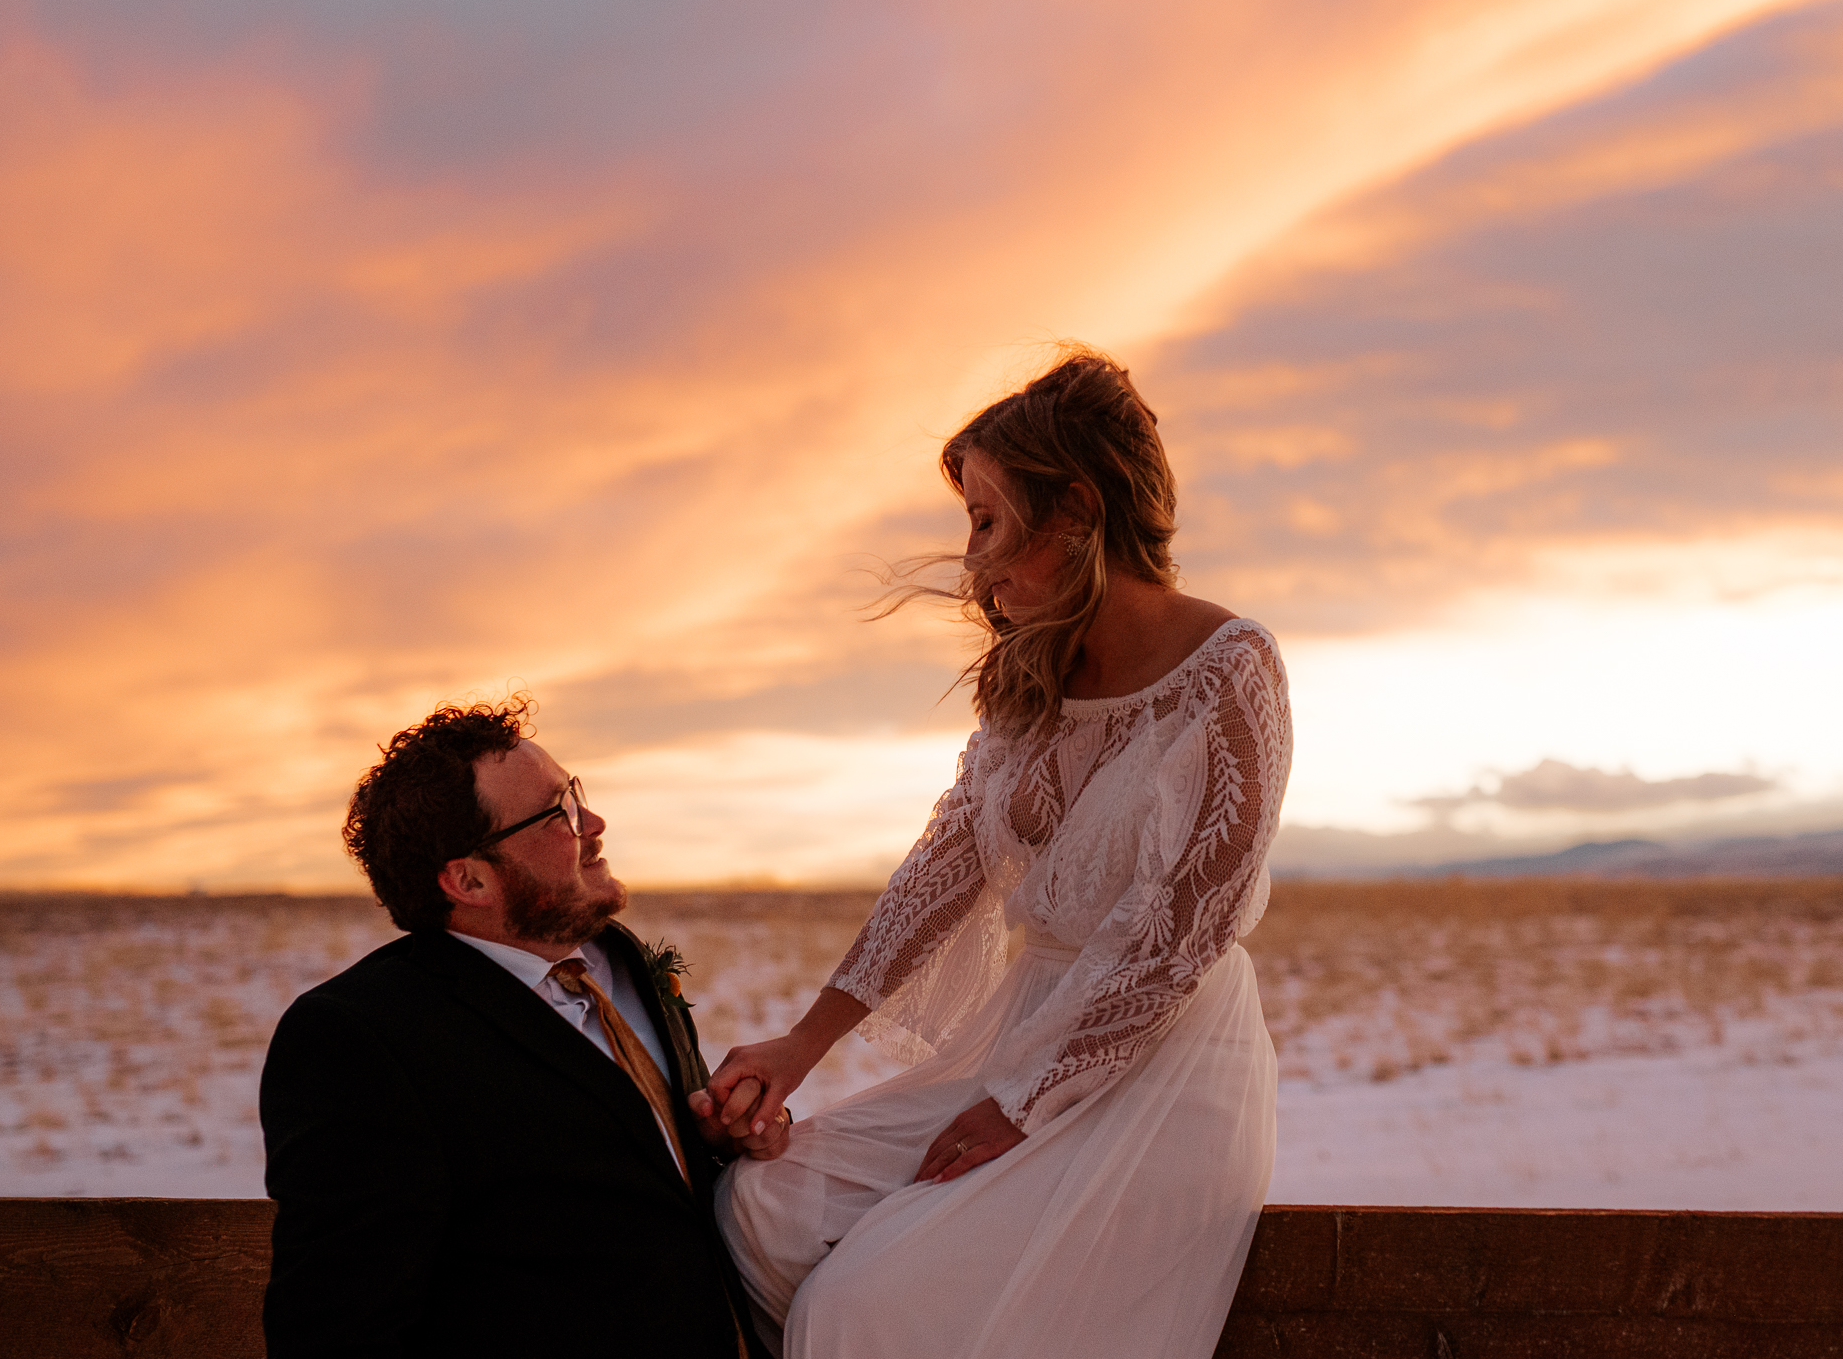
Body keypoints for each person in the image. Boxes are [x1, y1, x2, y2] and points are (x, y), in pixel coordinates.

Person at [704, 347, 1294, 1358]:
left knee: (858, 1309)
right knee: (764, 1205)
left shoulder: (1232, 672)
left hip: (1161, 1068)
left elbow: (1177, 940)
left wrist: (1021, 1103)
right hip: (1022, 1029)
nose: (971, 559)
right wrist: (804, 1041)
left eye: (987, 520)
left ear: (1073, 511)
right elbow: (944, 867)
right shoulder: (1029, 680)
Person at [260, 698, 782, 1358]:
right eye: (556, 813)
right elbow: (335, 1326)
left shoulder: (628, 965)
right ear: (470, 879)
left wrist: (724, 1137)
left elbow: (640, 1181)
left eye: (575, 794)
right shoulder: (359, 1036)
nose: (592, 822)